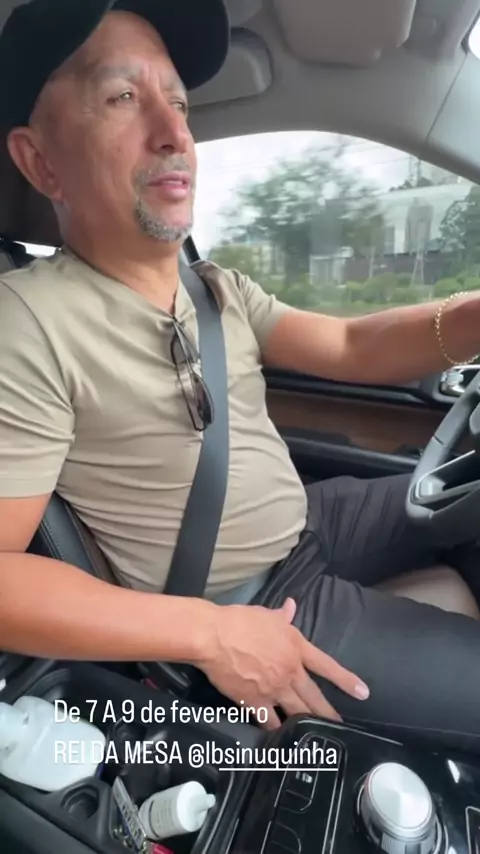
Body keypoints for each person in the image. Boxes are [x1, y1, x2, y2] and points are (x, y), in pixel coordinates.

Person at [0, 0, 480, 753]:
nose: (174, 132)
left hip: (311, 524)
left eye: (179, 103)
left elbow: (352, 345)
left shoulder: (215, 287)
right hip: (250, 598)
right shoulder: (26, 319)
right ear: (40, 162)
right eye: (122, 97)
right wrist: (210, 633)